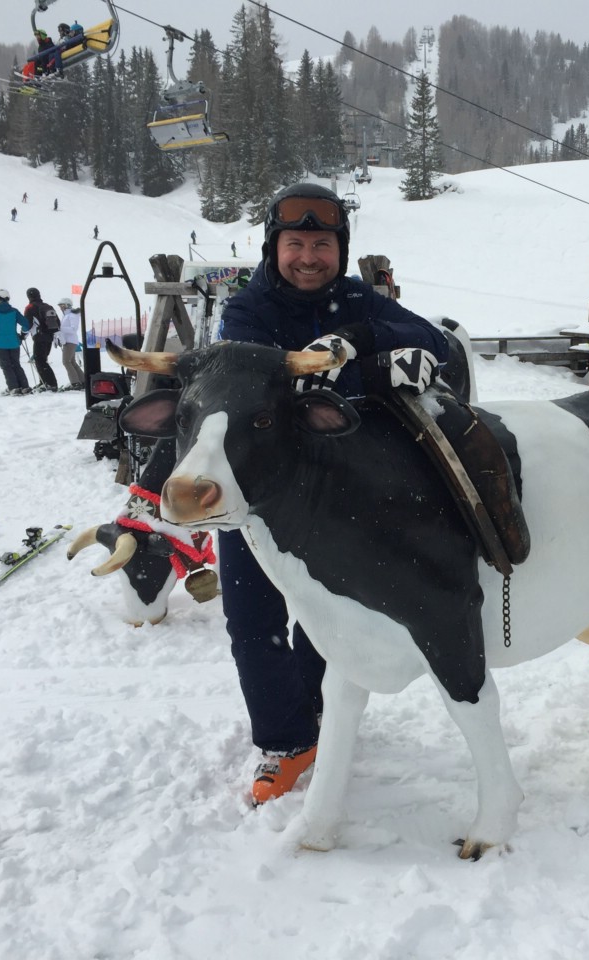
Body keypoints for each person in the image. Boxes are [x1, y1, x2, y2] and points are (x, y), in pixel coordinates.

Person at [210, 182, 449, 804]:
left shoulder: (356, 298)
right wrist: (369, 369)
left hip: (337, 493)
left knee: (325, 612)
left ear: (340, 250)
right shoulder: (245, 311)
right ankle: (285, 743)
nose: (309, 257)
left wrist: (360, 339)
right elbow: (264, 387)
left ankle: (317, 713)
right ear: (274, 246)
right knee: (252, 616)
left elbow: (437, 343)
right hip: (257, 490)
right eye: (296, 243)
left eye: (322, 243)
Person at [0, 289, 32, 395]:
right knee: (16, 364)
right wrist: (23, 334)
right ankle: (24, 386)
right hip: (14, 342)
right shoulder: (14, 311)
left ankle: (13, 387)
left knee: (6, 365)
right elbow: (26, 324)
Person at [23, 287, 60, 391]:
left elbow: (28, 323)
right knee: (43, 359)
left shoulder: (30, 307)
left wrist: (23, 334)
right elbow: (57, 322)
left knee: (39, 360)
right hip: (49, 336)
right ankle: (43, 382)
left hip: (39, 336)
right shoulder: (47, 306)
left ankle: (50, 384)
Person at [57, 297, 84, 388]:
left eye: (62, 305)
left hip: (70, 341)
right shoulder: (66, 315)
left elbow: (73, 329)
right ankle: (83, 381)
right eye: (60, 306)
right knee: (72, 362)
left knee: (66, 362)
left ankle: (75, 383)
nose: (60, 307)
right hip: (68, 341)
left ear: (67, 305)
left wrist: (59, 329)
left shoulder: (72, 315)